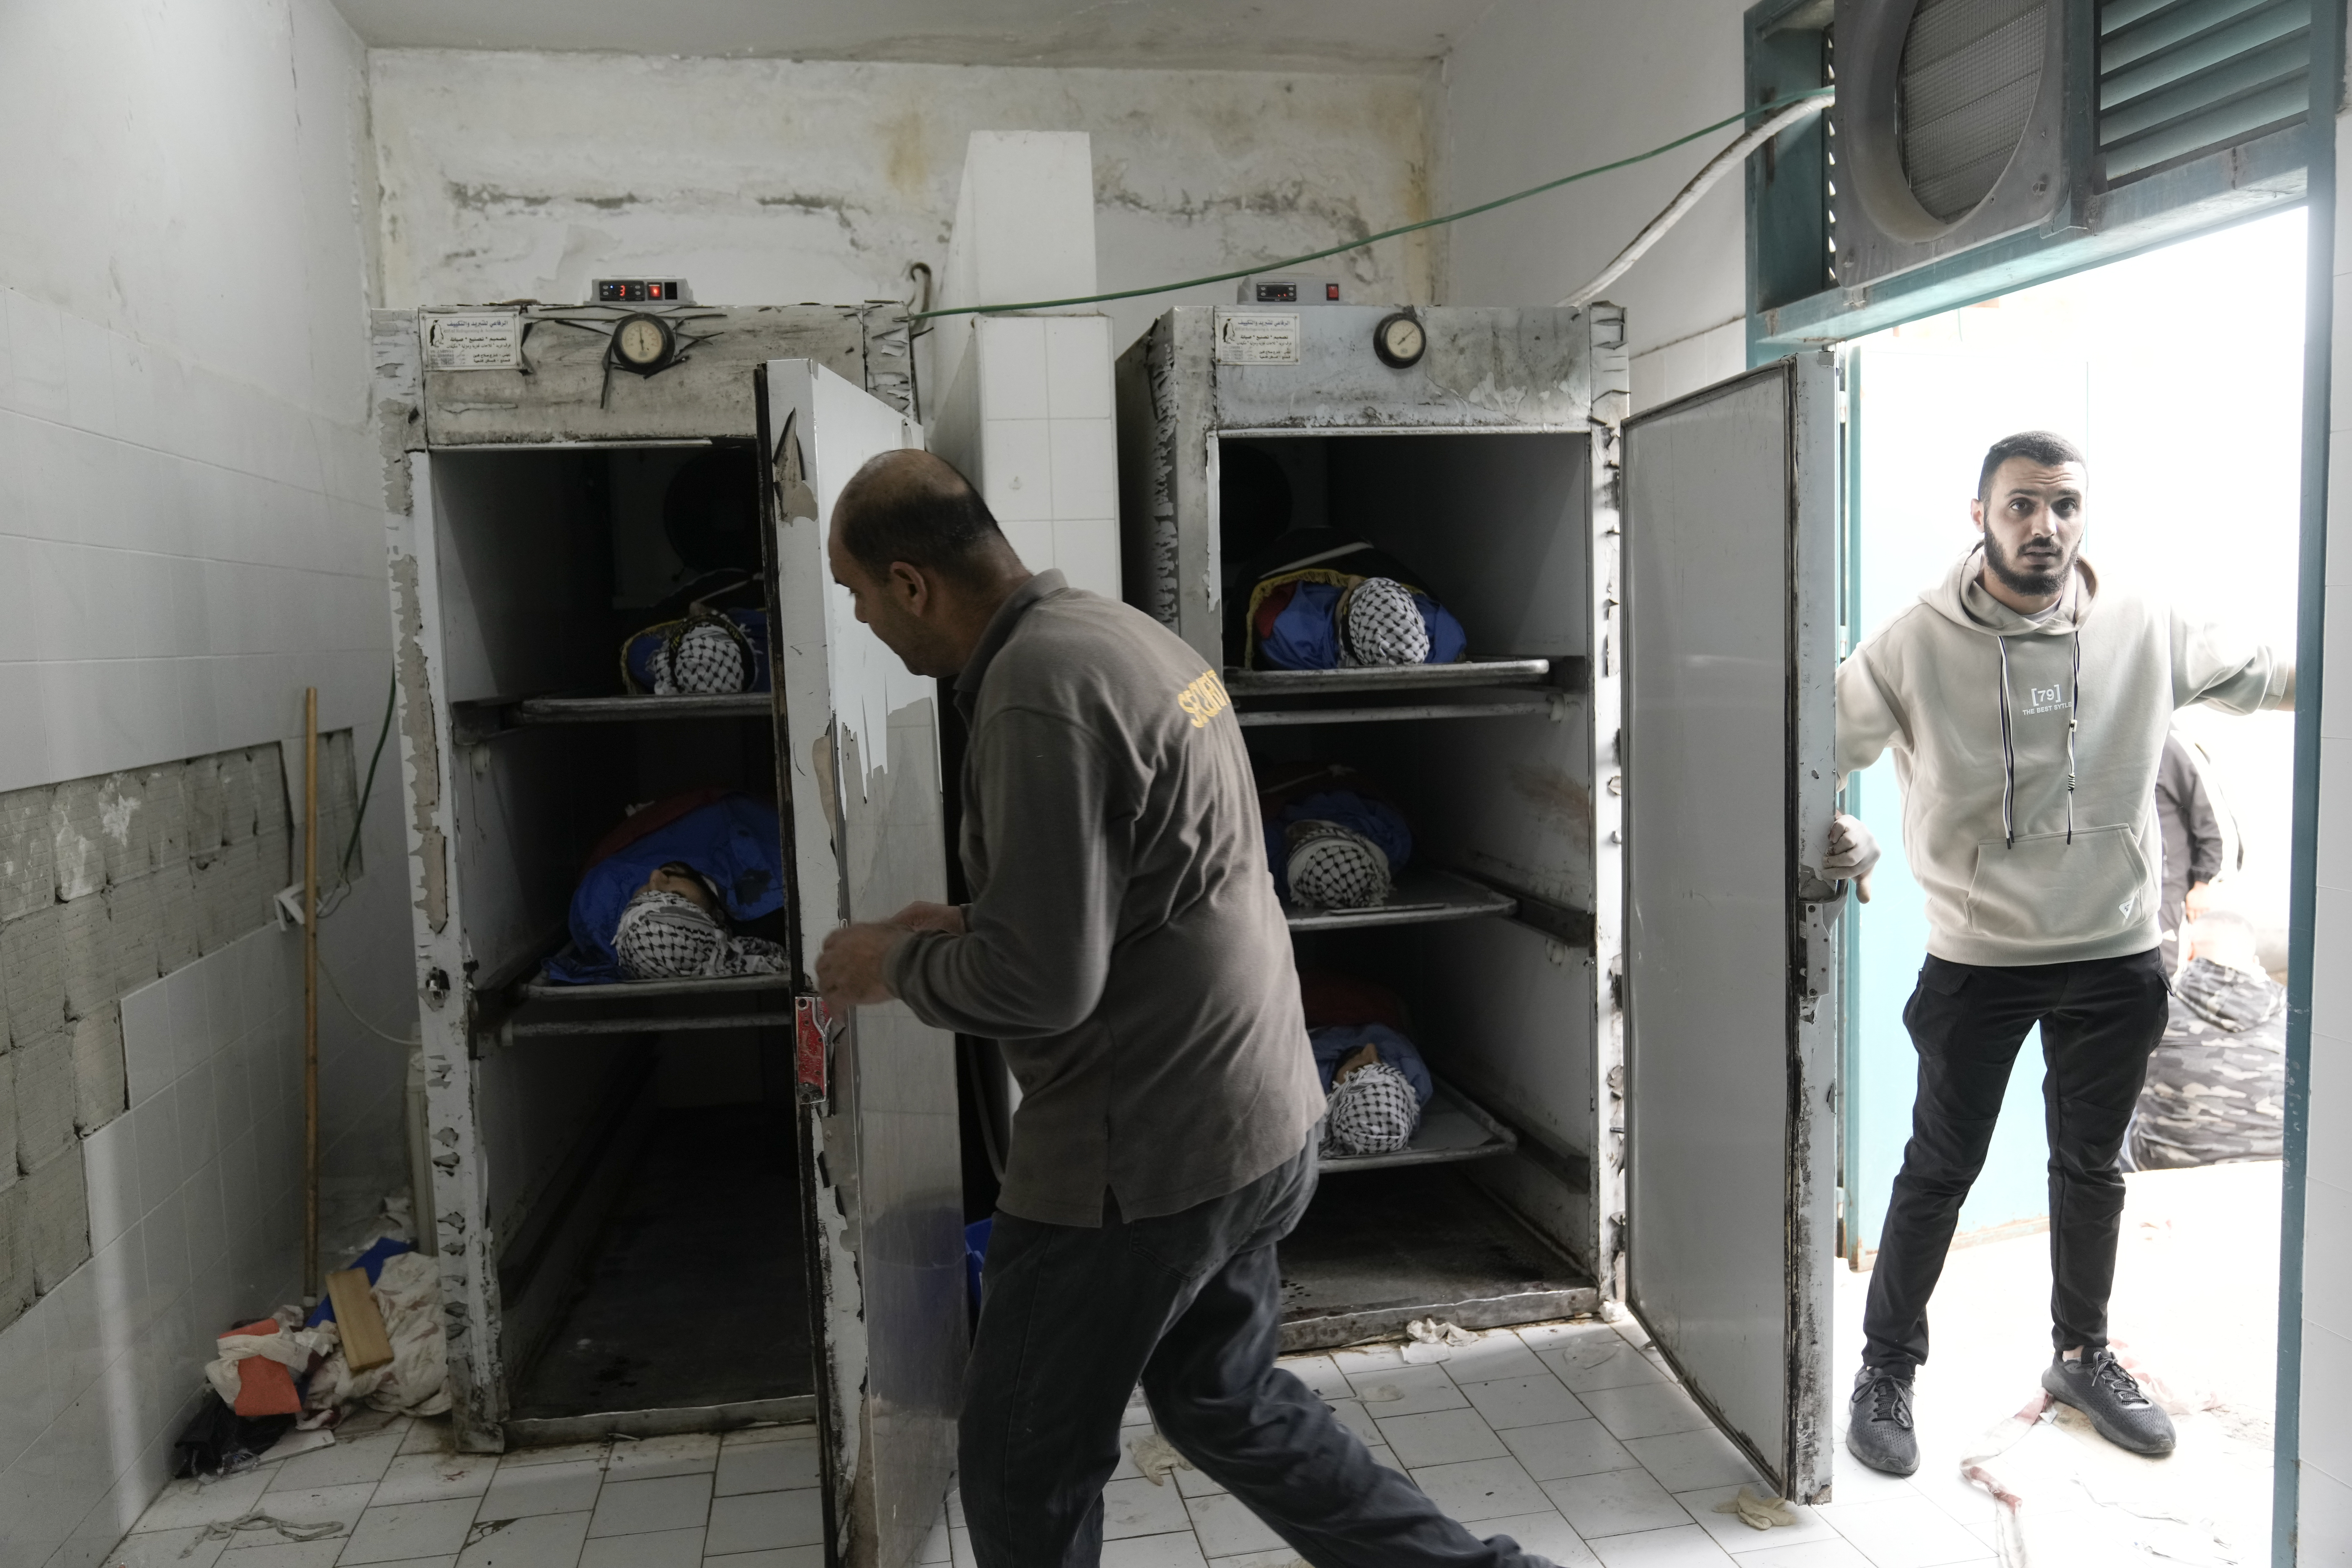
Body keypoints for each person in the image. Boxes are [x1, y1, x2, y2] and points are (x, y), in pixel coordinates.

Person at [811, 449, 1561, 1568]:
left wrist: (888, 967)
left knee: (1021, 1465)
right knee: (1226, 1401)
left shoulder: (1031, 694)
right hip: (1258, 1117)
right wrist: (974, 922)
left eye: (860, 596)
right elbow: (1159, 877)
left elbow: (1046, 986)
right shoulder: (1124, 639)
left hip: (1141, 1159)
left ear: (912, 582)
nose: (865, 621)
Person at [1822, 431, 2293, 1476]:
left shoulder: (2143, 619)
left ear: (2084, 516)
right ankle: (1885, 1369)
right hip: (1978, 957)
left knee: (2091, 1167)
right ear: (1981, 515)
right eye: (2022, 504)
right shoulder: (1913, 641)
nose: (2045, 524)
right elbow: (1808, 747)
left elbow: (2271, 673)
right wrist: (1833, 832)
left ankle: (2081, 1353)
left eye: (2064, 505)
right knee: (1939, 1166)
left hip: (2117, 951)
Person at [2123, 909, 2287, 1171]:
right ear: (2254, 962)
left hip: (2166, 1167)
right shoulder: (2295, 1014)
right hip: (2274, 1163)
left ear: (2188, 953)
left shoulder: (2151, 1006)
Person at [2153, 730, 2228, 972]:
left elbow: (2214, 820)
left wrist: (2204, 882)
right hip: (2125, 894)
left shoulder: (2170, 745)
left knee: (2167, 975)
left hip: (2169, 892)